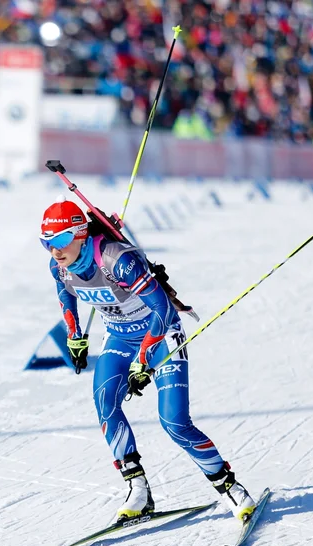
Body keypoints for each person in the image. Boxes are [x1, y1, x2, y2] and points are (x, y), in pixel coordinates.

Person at [40, 197, 256, 522]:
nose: (55, 250)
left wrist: (143, 359)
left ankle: (231, 488)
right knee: (105, 403)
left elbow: (163, 309)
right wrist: (74, 335)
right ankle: (138, 491)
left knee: (174, 422)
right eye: (46, 243)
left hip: (160, 334)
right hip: (118, 336)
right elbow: (65, 294)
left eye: (60, 240)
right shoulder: (58, 266)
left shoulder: (116, 259)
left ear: (81, 234)